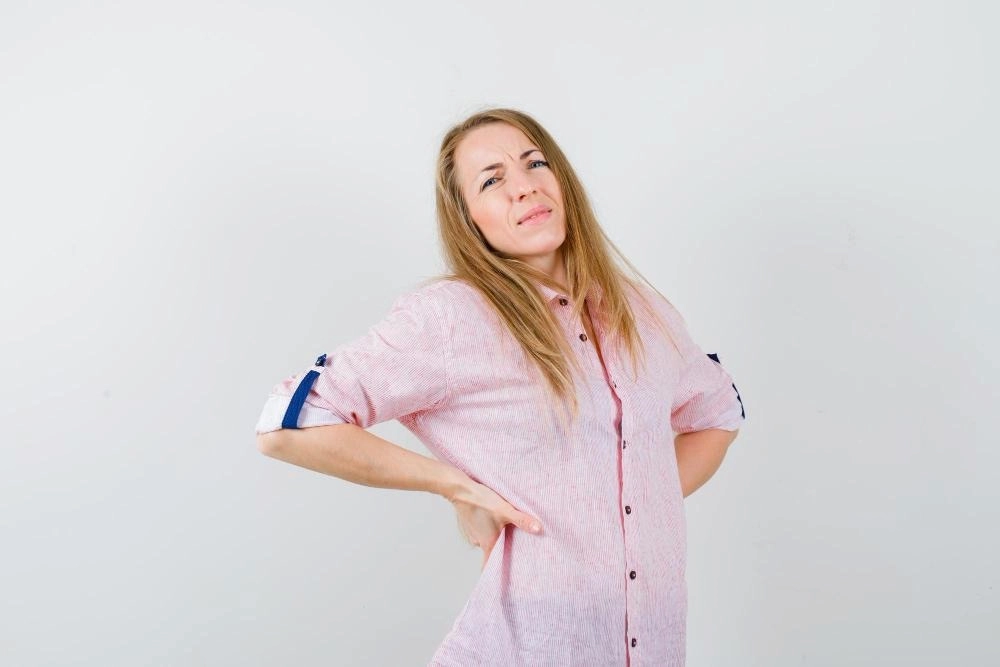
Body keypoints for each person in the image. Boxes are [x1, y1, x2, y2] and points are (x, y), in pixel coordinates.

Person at [254, 108, 746, 666]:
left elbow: (717, 413)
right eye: (492, 179)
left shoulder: (645, 313)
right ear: (469, 219)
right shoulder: (451, 319)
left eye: (535, 163)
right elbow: (288, 423)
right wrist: (455, 486)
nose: (524, 186)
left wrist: (626, 502)